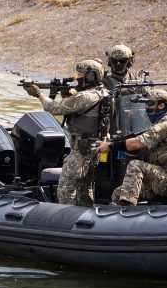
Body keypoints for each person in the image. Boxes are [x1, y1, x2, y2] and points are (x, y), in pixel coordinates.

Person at [22, 59, 108, 206]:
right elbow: (77, 105)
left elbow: (55, 108)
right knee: (84, 185)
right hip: (96, 147)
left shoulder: (85, 97)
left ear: (90, 76)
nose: (77, 78)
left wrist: (38, 93)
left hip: (82, 149)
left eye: (80, 74)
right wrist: (68, 94)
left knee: (66, 187)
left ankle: (66, 217)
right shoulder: (104, 92)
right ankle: (84, 215)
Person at [96, 89, 167, 206]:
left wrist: (110, 146)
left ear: (161, 105)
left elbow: (137, 143)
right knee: (118, 193)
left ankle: (127, 209)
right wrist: (115, 141)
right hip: (160, 178)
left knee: (135, 165)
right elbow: (140, 139)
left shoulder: (165, 126)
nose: (146, 108)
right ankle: (120, 219)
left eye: (149, 104)